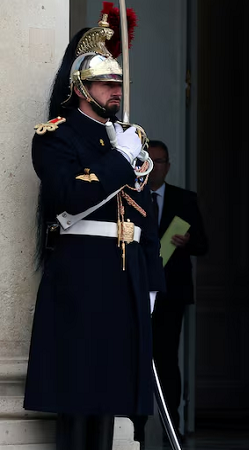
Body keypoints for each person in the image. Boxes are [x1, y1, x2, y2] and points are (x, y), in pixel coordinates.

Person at [24, 15, 164, 450]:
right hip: (82, 268)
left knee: (113, 386)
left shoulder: (129, 137)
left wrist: (152, 279)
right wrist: (120, 160)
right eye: (106, 84)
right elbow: (68, 197)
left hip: (127, 271)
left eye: (118, 83)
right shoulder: (56, 137)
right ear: (82, 88)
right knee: (78, 381)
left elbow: (144, 215)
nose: (115, 91)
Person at [130, 140, 209, 445]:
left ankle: (171, 426)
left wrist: (188, 241)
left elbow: (203, 245)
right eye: (148, 162)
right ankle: (134, 429)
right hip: (137, 291)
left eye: (159, 162)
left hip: (171, 294)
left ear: (168, 166)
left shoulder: (184, 199)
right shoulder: (130, 195)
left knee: (166, 360)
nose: (153, 168)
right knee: (136, 359)